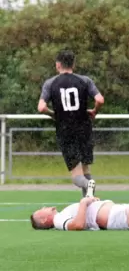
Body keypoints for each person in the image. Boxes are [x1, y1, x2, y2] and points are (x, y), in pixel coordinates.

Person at [37, 50, 104, 198]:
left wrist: (53, 114)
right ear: (73, 64)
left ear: (58, 65)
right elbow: (100, 99)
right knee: (86, 170)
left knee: (76, 177)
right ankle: (90, 203)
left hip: (65, 130)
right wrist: (94, 111)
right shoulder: (85, 80)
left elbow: (41, 107)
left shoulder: (51, 83)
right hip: (84, 128)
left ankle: (88, 186)